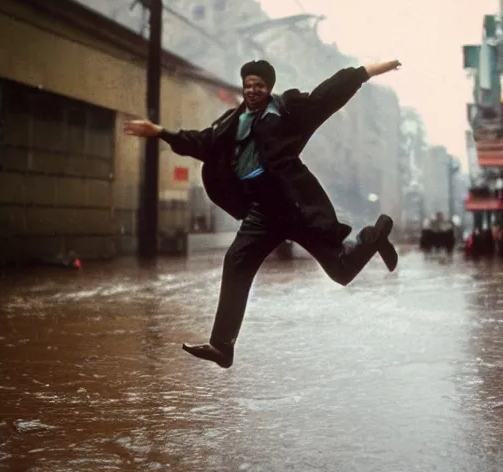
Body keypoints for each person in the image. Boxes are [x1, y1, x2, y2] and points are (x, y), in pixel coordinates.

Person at [124, 58, 401, 368]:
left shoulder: (287, 110)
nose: (252, 90)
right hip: (262, 211)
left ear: (269, 88)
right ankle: (222, 346)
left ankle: (374, 235)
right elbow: (202, 142)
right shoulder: (233, 121)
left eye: (259, 85)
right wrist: (160, 132)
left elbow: (327, 96)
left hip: (294, 205)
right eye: (248, 85)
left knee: (342, 270)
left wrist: (365, 72)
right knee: (236, 261)